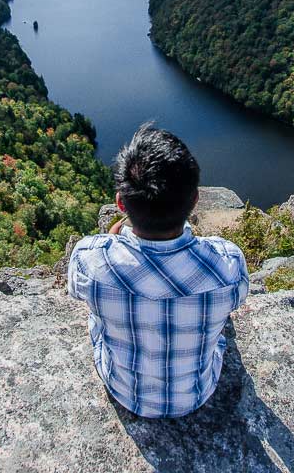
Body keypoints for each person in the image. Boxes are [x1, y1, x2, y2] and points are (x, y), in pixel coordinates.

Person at [67, 124, 249, 418]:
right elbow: (237, 299)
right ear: (194, 200)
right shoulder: (227, 264)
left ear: (120, 203)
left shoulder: (90, 260)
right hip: (198, 393)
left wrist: (114, 235)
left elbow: (76, 290)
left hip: (122, 389)